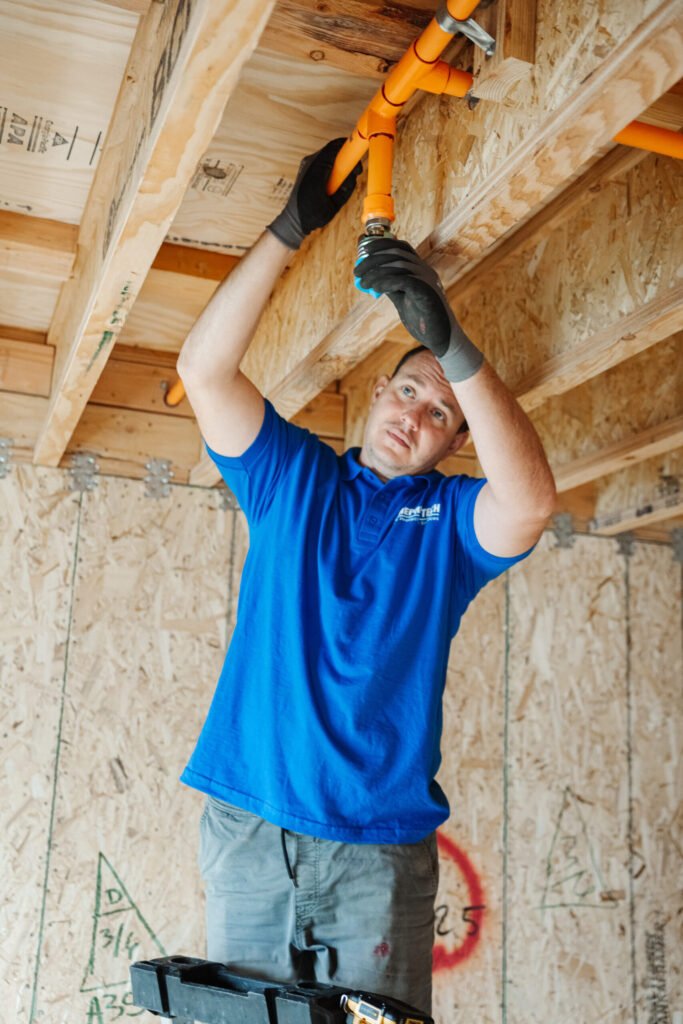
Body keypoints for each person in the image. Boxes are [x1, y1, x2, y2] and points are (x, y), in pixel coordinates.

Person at [176, 138, 556, 1014]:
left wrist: (450, 343)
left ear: (451, 445)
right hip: (251, 830)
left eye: (440, 415)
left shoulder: (450, 528)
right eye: (409, 390)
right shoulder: (290, 477)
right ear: (375, 393)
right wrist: (288, 228)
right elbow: (202, 370)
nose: (417, 415)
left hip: (376, 854)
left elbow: (530, 501)